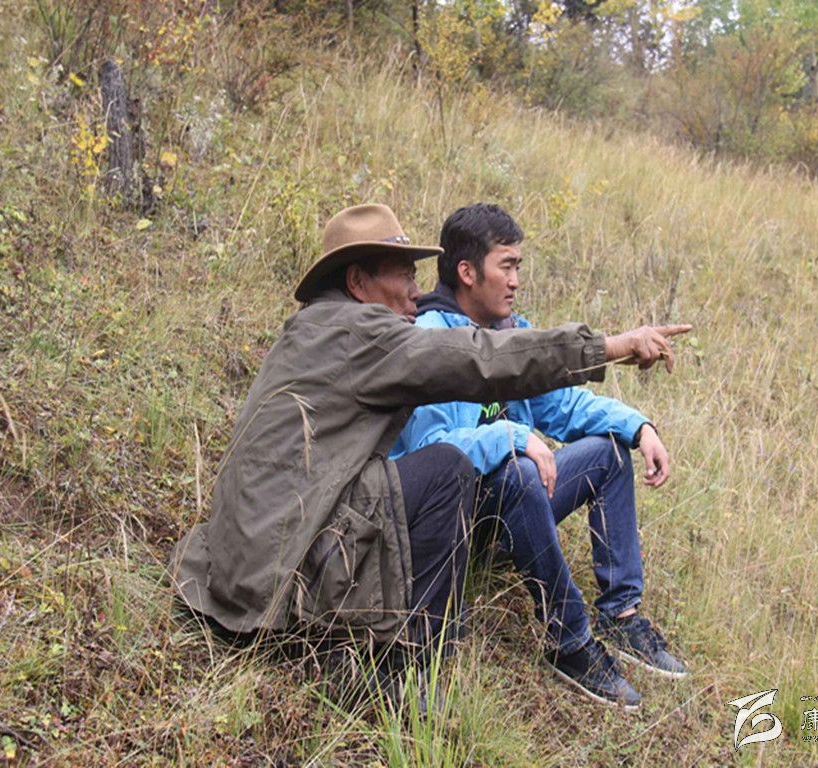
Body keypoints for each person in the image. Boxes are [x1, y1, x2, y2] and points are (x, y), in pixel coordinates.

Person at [170, 203, 688, 710]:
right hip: (280, 580)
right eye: (403, 275)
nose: (416, 291)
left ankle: (616, 615)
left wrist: (634, 424)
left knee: (545, 460)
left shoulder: (311, 329)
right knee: (448, 469)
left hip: (245, 566)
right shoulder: (368, 335)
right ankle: (408, 667)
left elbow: (541, 390)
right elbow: (481, 361)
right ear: (358, 282)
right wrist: (609, 347)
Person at [391, 203, 690, 710]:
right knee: (519, 470)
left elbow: (564, 406)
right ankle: (569, 642)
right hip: (455, 523)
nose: (515, 281)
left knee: (608, 452)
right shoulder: (430, 338)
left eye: (518, 266)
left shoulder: (510, 333)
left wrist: (639, 426)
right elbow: (430, 450)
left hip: (518, 504)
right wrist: (509, 436)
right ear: (467, 272)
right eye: (505, 266)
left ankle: (620, 616)